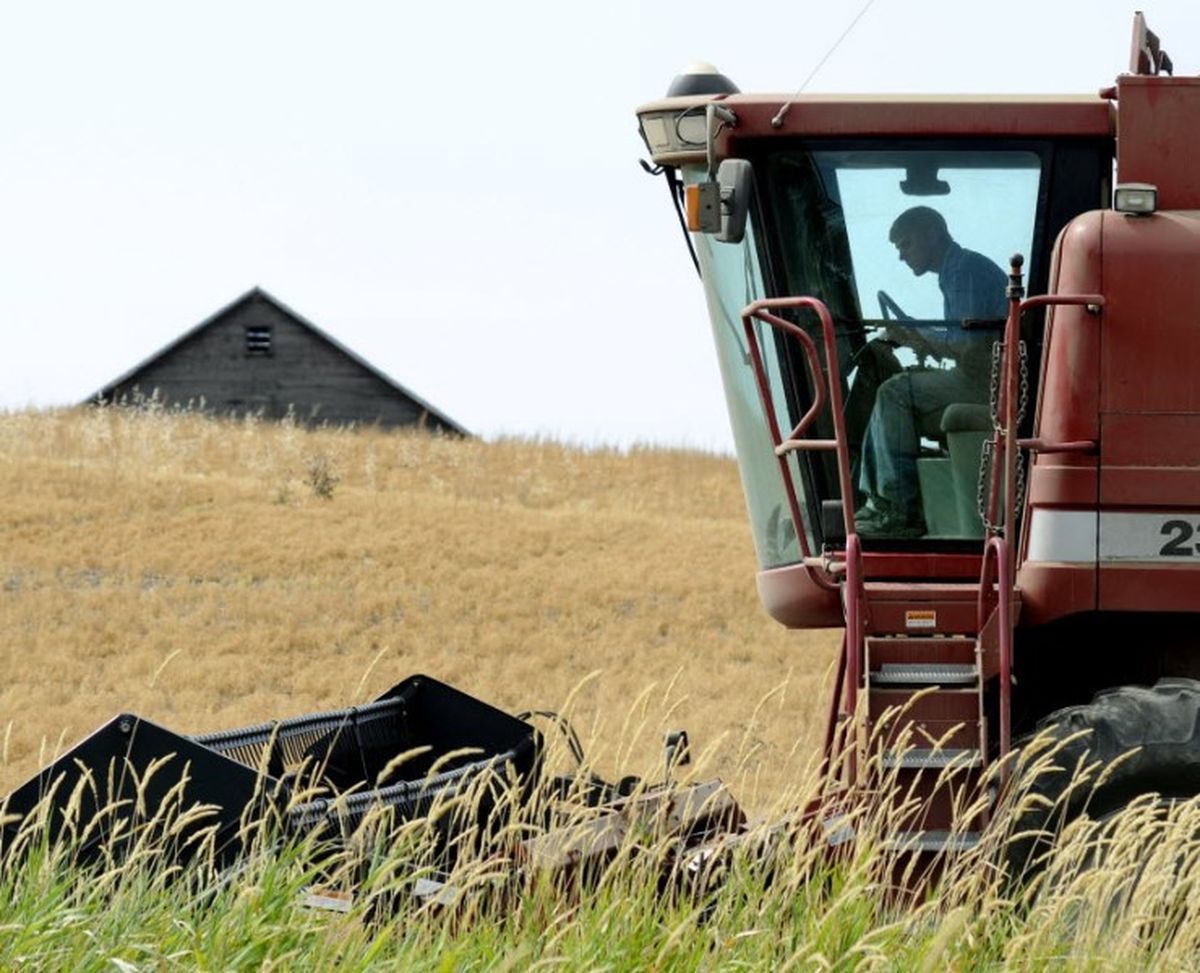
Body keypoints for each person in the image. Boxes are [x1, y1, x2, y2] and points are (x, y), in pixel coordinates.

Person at [855, 207, 1008, 537]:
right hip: (984, 379)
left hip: (989, 385)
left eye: (905, 244)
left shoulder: (965, 271)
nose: (901, 256)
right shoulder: (955, 273)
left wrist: (917, 337)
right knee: (897, 390)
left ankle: (897, 509)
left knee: (894, 393)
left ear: (932, 234)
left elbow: (971, 348)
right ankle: (881, 500)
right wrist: (919, 337)